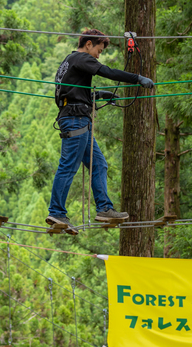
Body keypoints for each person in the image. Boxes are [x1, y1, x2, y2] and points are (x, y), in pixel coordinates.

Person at [46, 29, 154, 229]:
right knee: (68, 166)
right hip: (76, 120)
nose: (98, 55)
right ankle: (56, 212)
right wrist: (137, 78)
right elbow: (107, 71)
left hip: (79, 119)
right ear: (88, 44)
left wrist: (99, 95)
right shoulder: (81, 58)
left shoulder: (69, 62)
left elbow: (72, 93)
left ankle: (104, 208)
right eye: (99, 50)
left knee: (99, 164)